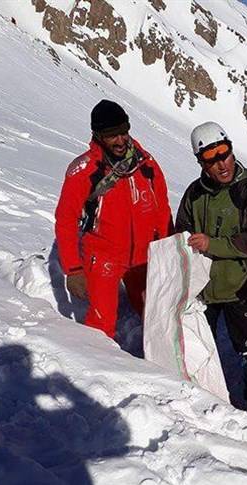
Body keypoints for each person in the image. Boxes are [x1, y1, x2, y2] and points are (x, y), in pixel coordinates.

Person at [175, 122, 247, 429]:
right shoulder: (195, 194)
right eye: (211, 157)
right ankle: (203, 405)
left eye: (224, 153)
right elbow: (181, 232)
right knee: (201, 349)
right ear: (200, 162)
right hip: (204, 290)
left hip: (240, 288)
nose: (222, 163)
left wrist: (212, 244)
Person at [55, 99, 173, 340]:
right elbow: (66, 220)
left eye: (123, 132)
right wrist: (74, 270)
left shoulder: (145, 163)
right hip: (103, 258)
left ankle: (165, 374)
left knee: (158, 318)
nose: (120, 140)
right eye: (112, 135)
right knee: (101, 326)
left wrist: (167, 248)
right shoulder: (85, 170)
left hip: (144, 257)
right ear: (98, 135)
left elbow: (162, 208)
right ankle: (102, 374)